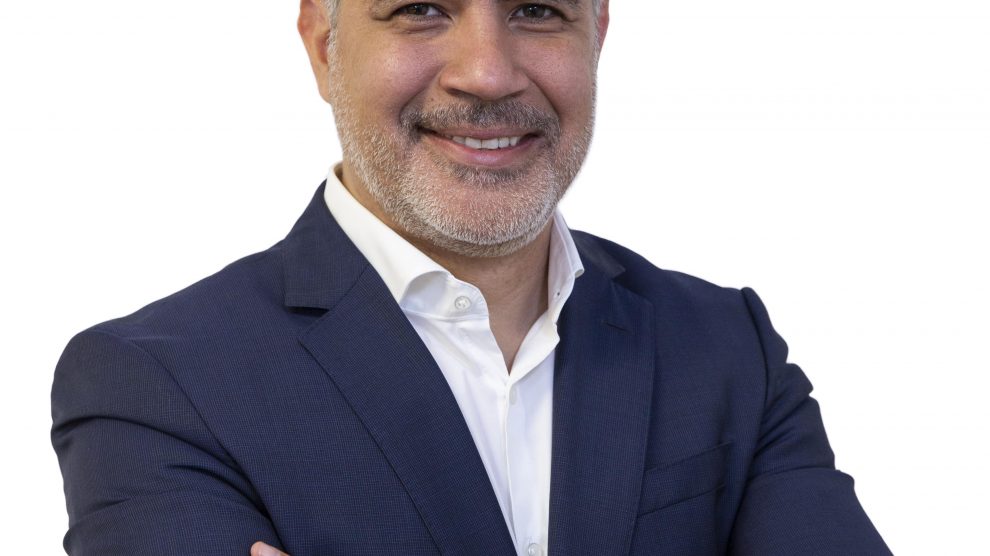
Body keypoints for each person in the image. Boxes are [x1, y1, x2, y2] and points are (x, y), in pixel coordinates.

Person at [51, 0, 892, 554]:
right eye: (421, 9)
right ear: (323, 46)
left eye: (536, 10)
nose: (487, 72)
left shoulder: (726, 348)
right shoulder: (155, 387)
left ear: (597, 34)